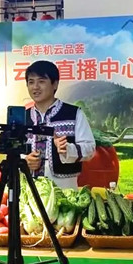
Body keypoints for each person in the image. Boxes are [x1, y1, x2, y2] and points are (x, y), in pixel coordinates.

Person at [25, 60, 95, 189]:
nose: (35, 87)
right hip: (29, 189)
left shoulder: (73, 113)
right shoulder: (23, 117)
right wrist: (26, 160)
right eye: (31, 82)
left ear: (55, 84)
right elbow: (13, 151)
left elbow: (90, 149)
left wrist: (67, 150)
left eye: (41, 81)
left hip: (64, 189)